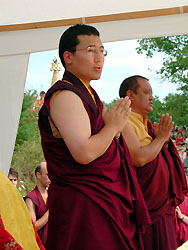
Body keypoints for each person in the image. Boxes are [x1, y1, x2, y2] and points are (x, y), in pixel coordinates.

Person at [38, 24, 151, 250]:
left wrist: (114, 126)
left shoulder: (89, 95)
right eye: (90, 50)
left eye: (102, 51)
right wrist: (114, 126)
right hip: (85, 203)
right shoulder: (65, 95)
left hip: (102, 201)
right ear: (68, 57)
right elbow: (84, 152)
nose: (99, 57)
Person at [119, 75, 187, 250]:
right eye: (147, 92)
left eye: (152, 93)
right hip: (147, 211)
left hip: (162, 207)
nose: (152, 97)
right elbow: (139, 159)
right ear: (130, 95)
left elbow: (157, 158)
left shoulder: (147, 125)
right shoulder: (123, 121)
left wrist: (162, 142)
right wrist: (161, 139)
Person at [0, 170, 45, 250]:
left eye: (15, 180)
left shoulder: (17, 198)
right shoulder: (31, 197)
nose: (13, 182)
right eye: (10, 180)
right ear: (38, 175)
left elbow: (28, 225)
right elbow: (33, 225)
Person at [25, 162, 50, 248]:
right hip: (37, 245)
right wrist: (48, 214)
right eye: (47, 174)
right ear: (38, 175)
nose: (51, 177)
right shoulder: (31, 197)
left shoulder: (52, 195)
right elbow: (32, 227)